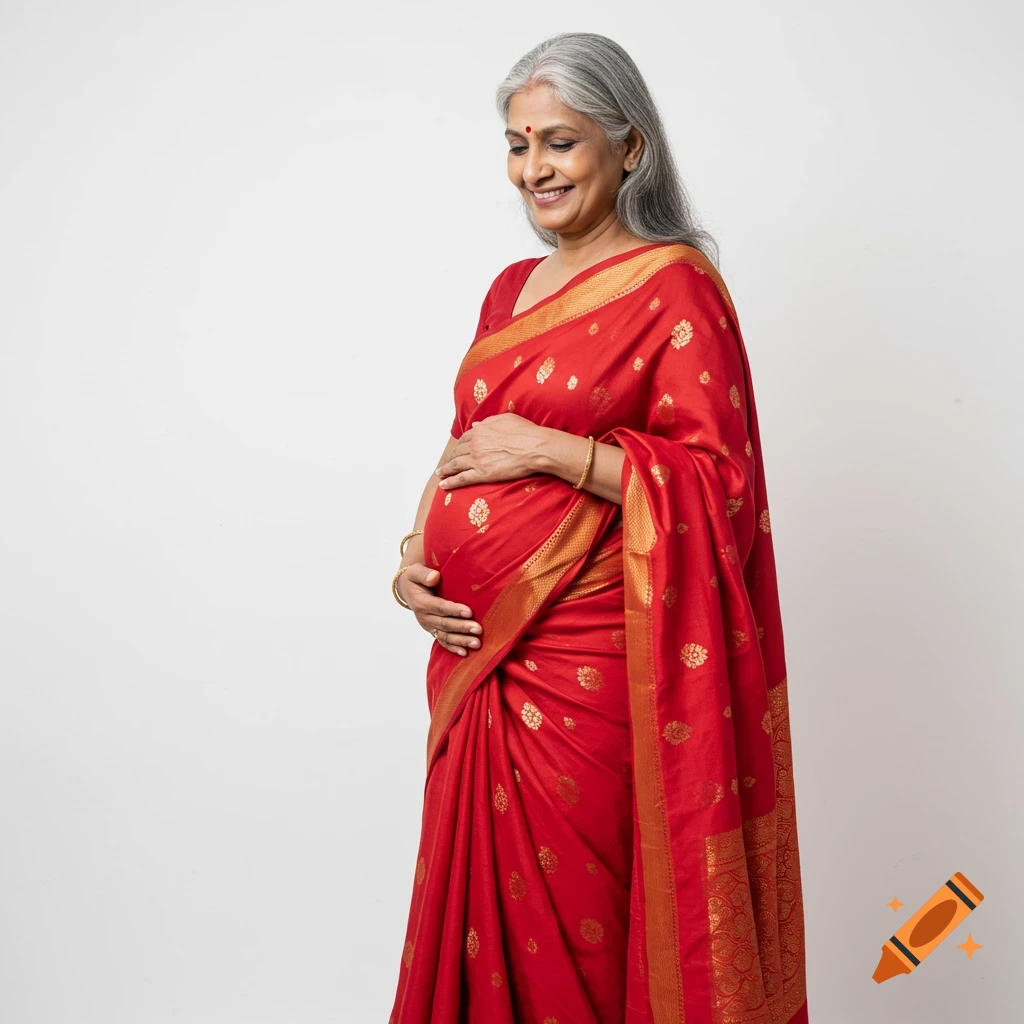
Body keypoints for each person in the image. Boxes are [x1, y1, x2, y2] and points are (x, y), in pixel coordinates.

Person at [387, 32, 808, 1024]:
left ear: (629, 148)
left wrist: (553, 452)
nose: (533, 168)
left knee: (582, 926)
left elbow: (720, 483)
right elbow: (464, 442)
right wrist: (412, 560)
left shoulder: (674, 286)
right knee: (490, 932)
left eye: (560, 142)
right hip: (481, 664)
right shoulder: (508, 290)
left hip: (591, 674)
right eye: (517, 144)